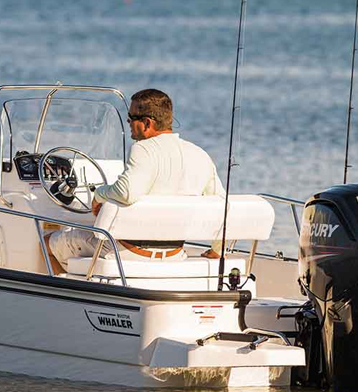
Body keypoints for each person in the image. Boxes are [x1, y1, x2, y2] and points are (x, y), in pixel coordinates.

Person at [45, 89, 225, 272]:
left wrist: (99, 195)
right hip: (175, 253)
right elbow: (223, 209)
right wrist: (217, 251)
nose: (128, 122)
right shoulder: (200, 155)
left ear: (147, 123)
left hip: (129, 252)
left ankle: (71, 297)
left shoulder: (144, 149)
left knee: (46, 244)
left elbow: (126, 192)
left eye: (131, 117)